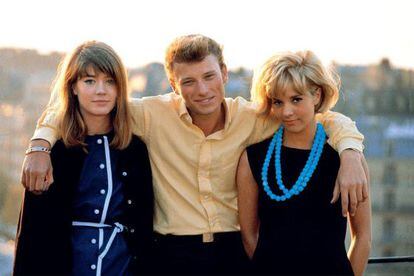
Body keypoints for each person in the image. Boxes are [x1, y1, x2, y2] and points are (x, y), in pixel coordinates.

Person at [21, 35, 367, 274]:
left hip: (234, 256)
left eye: (209, 76)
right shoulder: (151, 115)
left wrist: (351, 152)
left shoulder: (253, 118)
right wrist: (40, 144)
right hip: (171, 257)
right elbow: (83, 105)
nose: (202, 90)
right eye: (188, 82)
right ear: (173, 84)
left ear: (225, 74)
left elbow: (320, 117)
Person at [13, 41, 153, 275]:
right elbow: (31, 233)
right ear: (73, 87)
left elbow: (144, 226)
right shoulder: (54, 152)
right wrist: (39, 145)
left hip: (119, 266)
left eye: (110, 81)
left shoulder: (135, 149)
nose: (101, 90)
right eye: (89, 81)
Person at [237, 51, 372, 275]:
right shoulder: (253, 157)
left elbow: (363, 237)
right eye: (277, 102)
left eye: (296, 99)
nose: (286, 111)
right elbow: (249, 236)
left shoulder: (347, 159)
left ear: (316, 96)